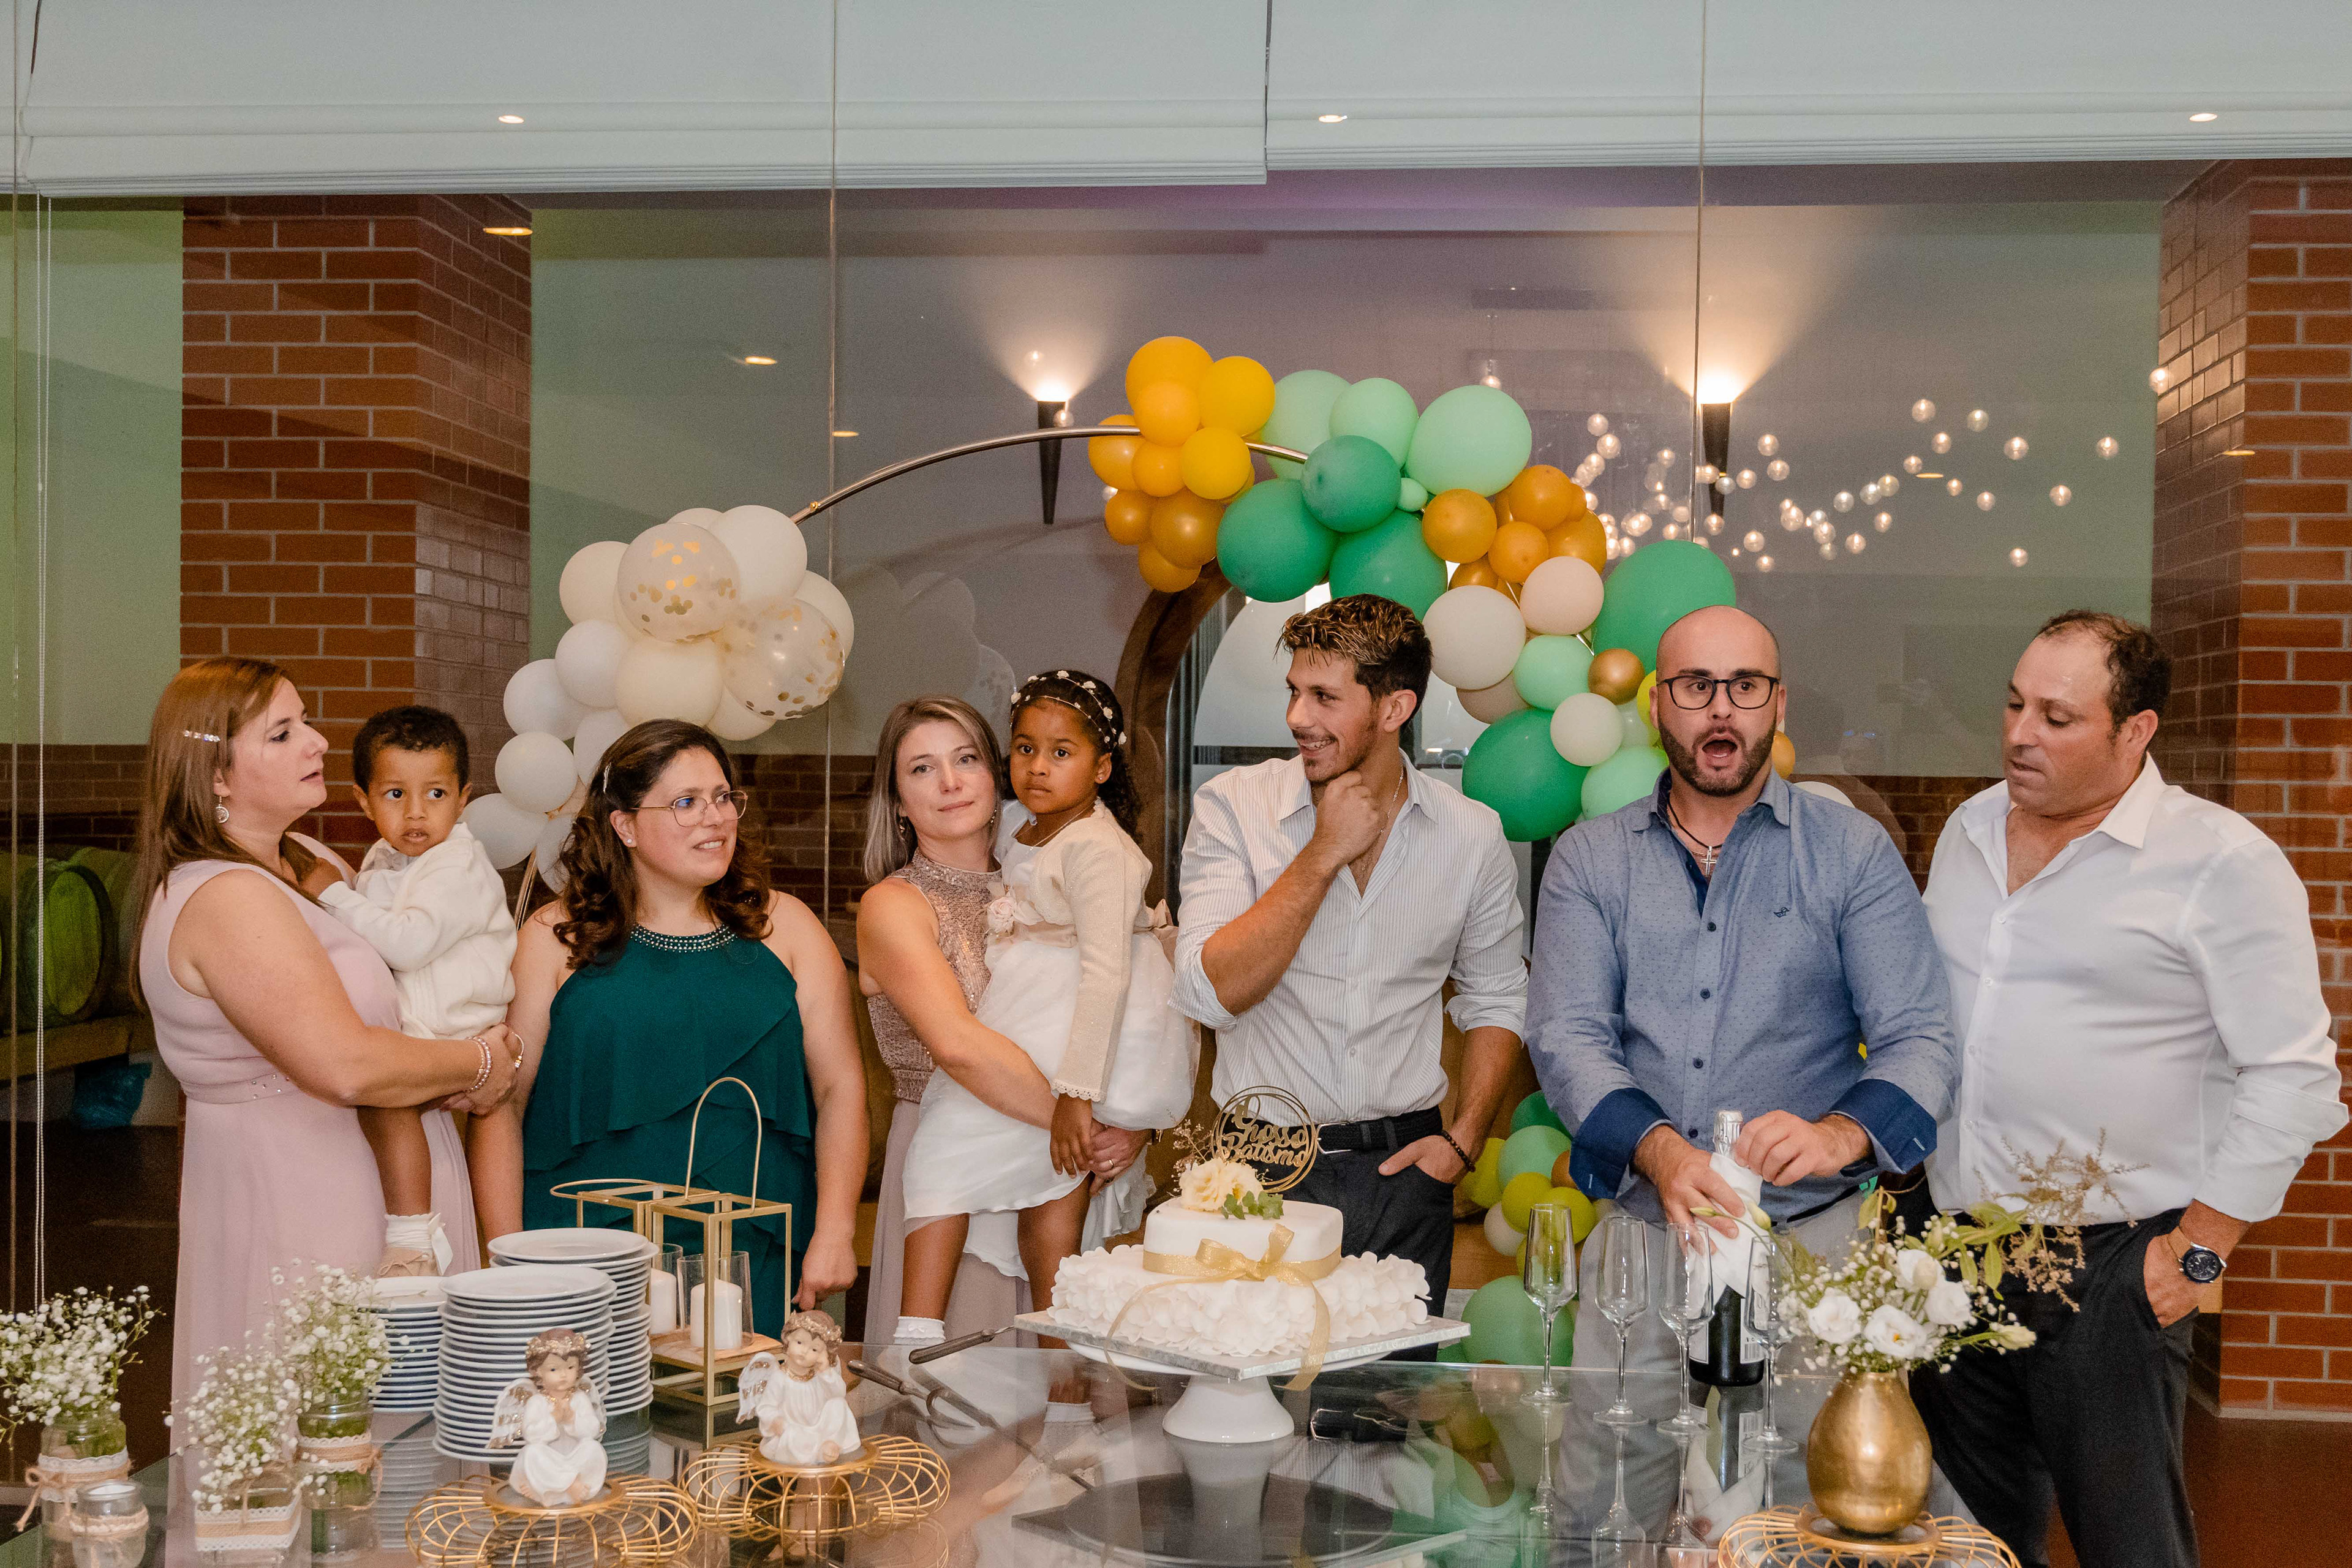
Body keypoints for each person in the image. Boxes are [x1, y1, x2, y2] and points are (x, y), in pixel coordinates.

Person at [1908, 611, 2348, 1568]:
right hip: (1957, 1252)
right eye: (2015, 705)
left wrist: (2197, 1255)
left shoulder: (2221, 863)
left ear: (2136, 731)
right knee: (1964, 1545)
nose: (2021, 734)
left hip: (2111, 1267)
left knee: (2129, 1548)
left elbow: (2295, 1077)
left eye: (2058, 718)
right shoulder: (1970, 828)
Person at [1526, 605, 1959, 1383]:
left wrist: (1839, 1135)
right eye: (1696, 685)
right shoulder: (1590, 859)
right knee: (1613, 1457)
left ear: (1778, 704)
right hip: (1644, 1245)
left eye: (1746, 685)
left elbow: (1921, 1037)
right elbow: (1567, 1038)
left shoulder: (1852, 851)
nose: (1722, 708)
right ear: (1656, 705)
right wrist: (1662, 1153)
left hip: (1815, 1252)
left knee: (1809, 1464)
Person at [134, 658, 520, 1405]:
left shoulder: (310, 861)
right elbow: (345, 1064)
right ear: (216, 775)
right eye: (282, 733)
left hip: (398, 1176)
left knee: (415, 1423)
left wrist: (478, 1042)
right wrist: (478, 1061)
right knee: (330, 1417)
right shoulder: (225, 896)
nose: (316, 742)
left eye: (306, 722)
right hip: (305, 1193)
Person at [1174, 595, 1528, 1304]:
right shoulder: (1233, 806)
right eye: (1294, 691)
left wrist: (1462, 1142)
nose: (1296, 717)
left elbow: (1497, 996)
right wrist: (1321, 854)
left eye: (1324, 696)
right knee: (1257, 1375)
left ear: (1394, 708)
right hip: (1260, 1165)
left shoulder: (1471, 834)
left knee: (1391, 1380)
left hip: (1407, 1172)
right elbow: (1209, 994)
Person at [492, 719, 865, 1332]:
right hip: (583, 1251)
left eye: (723, 798)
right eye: (687, 802)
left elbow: (840, 1088)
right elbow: (503, 1106)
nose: (715, 818)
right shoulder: (553, 938)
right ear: (625, 826)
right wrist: (508, 1259)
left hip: (752, 1244)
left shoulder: (789, 927)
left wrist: (836, 1231)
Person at [901, 671, 1195, 1345]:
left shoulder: (1099, 849)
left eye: (1062, 753)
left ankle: (1055, 1372)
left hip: (1075, 1033)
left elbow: (1106, 974)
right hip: (1027, 1015)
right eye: (1026, 749)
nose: (1038, 767)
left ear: (1103, 767)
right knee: (964, 1165)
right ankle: (923, 1339)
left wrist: (1077, 1094)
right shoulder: (1017, 826)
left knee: (1040, 1197)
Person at [318, 704, 518, 1276]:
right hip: (429, 1016)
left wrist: (333, 895)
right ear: (364, 802)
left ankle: (411, 1238)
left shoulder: (456, 865)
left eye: (435, 794)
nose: (415, 813)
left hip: (455, 1023)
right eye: (395, 794)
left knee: (384, 1095)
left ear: (463, 798)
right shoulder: (387, 858)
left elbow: (407, 945)